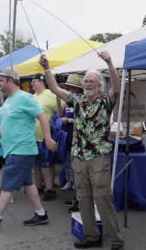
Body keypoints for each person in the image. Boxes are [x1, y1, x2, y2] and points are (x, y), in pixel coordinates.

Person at [40, 51, 124, 250]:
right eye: (86, 81)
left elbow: (117, 89)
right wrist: (46, 68)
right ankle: (91, 236)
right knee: (83, 197)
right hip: (79, 156)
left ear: (99, 85)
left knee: (102, 196)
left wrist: (109, 62)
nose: (88, 84)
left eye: (92, 81)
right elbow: (53, 88)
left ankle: (114, 239)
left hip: (98, 156)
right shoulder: (77, 101)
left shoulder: (105, 101)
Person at [0, 67, 57, 230]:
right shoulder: (8, 100)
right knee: (29, 184)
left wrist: (47, 137)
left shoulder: (26, 98)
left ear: (10, 81)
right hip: (13, 150)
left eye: (1, 80)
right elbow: (4, 124)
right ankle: (41, 214)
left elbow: (42, 117)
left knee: (8, 186)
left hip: (21, 150)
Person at [31, 73, 61, 201]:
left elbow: (62, 111)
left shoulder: (51, 95)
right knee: (36, 164)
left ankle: (49, 189)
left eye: (34, 81)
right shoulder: (32, 97)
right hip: (33, 137)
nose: (32, 83)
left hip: (46, 136)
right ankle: (38, 186)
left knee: (47, 164)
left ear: (41, 81)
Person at [57, 75, 84, 212]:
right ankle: (71, 185)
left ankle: (79, 200)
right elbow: (59, 115)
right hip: (68, 137)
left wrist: (70, 121)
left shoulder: (82, 102)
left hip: (79, 139)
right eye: (66, 87)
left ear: (77, 89)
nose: (67, 89)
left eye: (69, 87)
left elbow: (83, 121)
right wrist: (58, 102)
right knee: (68, 161)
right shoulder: (68, 103)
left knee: (77, 166)